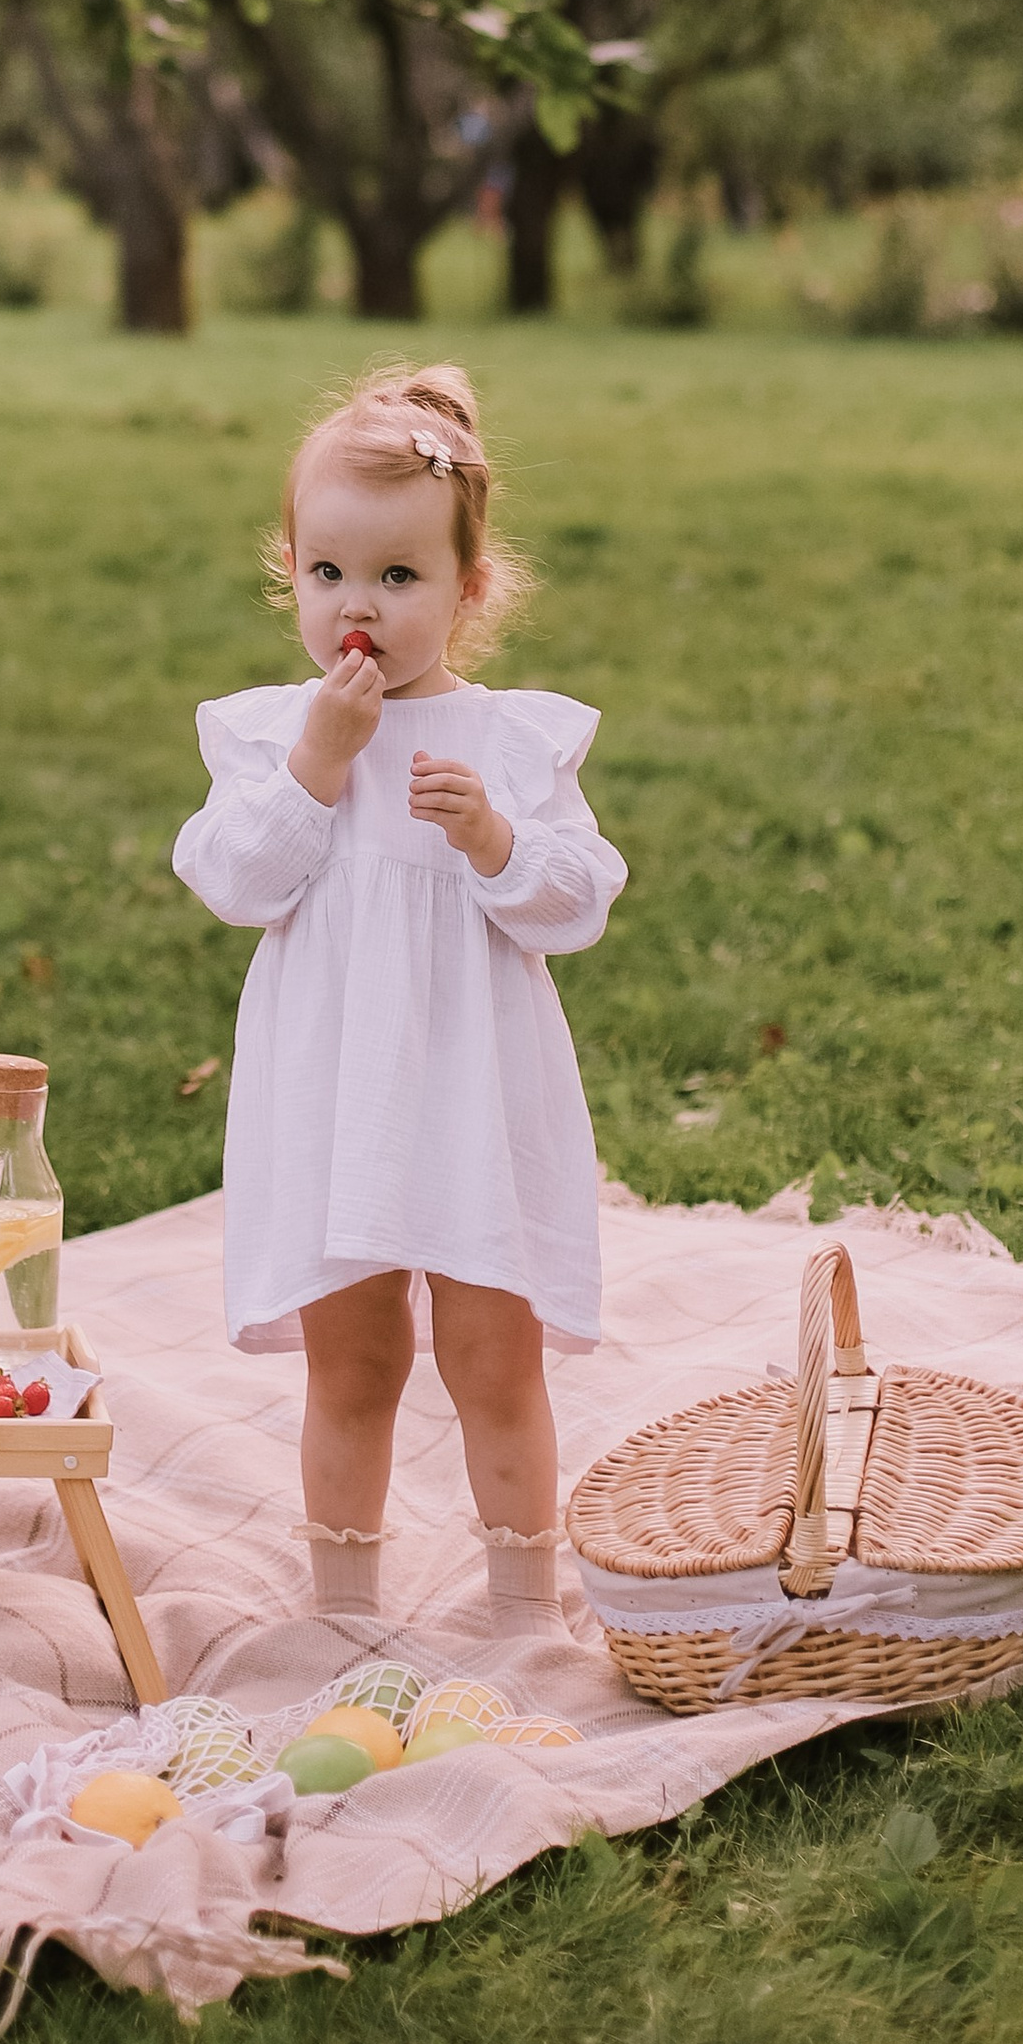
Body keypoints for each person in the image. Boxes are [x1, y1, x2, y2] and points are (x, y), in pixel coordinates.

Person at [171, 360, 626, 1640]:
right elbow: (233, 881)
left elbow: (576, 903)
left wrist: (493, 840)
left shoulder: (510, 743)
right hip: (336, 1097)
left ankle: (524, 1602)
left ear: (469, 587)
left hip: (474, 1091)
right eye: (328, 573)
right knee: (354, 1359)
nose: (356, 606)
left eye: (398, 576)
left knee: (494, 1355)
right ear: (291, 569)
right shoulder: (273, 736)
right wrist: (316, 769)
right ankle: (343, 1607)